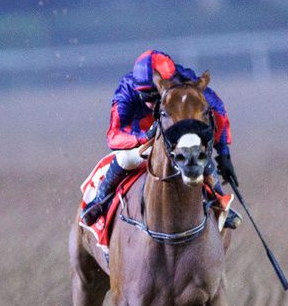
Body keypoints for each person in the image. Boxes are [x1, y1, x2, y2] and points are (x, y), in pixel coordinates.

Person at [81, 49, 239, 226]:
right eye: (146, 96)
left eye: (157, 96)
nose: (152, 103)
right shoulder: (127, 89)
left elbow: (217, 110)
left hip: (173, 134)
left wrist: (224, 153)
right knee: (125, 158)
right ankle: (99, 201)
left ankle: (218, 201)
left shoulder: (186, 80)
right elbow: (113, 136)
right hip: (140, 137)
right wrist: (144, 136)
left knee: (198, 155)